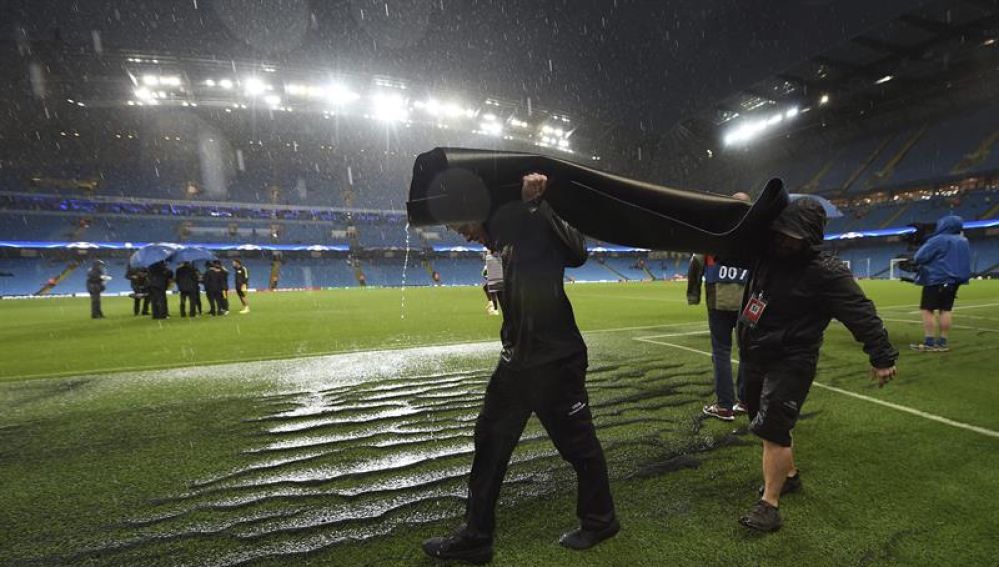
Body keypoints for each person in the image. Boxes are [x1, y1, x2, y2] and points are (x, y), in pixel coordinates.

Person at [423, 174, 618, 564]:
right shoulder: (501, 243)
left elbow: (577, 251)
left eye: (463, 226)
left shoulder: (528, 220)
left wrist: (538, 204)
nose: (462, 235)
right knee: (489, 445)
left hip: (554, 360)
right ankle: (476, 536)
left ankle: (600, 520)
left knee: (579, 448)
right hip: (517, 363)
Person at [736, 197, 898, 533]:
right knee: (761, 419)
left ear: (809, 237)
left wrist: (881, 357)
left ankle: (770, 505)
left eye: (790, 236)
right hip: (756, 352)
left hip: (793, 358)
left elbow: (860, 312)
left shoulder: (827, 272)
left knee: (773, 428)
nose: (782, 240)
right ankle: (790, 476)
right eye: (779, 232)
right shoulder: (767, 252)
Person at [687, 191, 752, 421]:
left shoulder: (715, 230)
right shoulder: (756, 232)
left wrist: (693, 295)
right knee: (748, 351)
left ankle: (725, 406)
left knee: (721, 352)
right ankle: (746, 401)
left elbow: (695, 261)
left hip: (719, 300)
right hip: (748, 304)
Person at [910, 215, 971, 352]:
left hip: (936, 278)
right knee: (946, 309)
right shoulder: (964, 241)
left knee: (927, 309)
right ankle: (943, 342)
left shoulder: (938, 240)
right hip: (955, 281)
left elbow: (919, 257)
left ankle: (929, 342)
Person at [482, 250, 503, 315]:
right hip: (495, 275)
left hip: (496, 276)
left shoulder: (494, 258)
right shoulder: (491, 258)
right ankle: (491, 304)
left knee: (493, 292)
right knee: (486, 288)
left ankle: (495, 309)